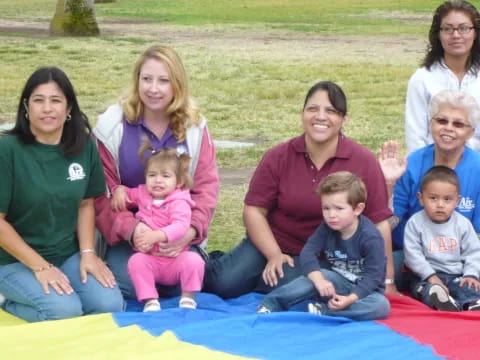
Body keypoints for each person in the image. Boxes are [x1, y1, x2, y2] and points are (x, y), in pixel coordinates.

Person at [204, 81, 395, 298]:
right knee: (222, 284)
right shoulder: (279, 155)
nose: (320, 116)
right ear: (302, 114)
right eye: (313, 109)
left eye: (331, 111)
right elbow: (254, 210)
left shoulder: (363, 161)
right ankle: (212, 262)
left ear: (344, 120)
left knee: (288, 284)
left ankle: (262, 280)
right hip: (272, 242)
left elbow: (379, 222)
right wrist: (274, 254)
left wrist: (388, 281)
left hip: (326, 257)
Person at [93, 45, 218, 300]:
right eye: (146, 79)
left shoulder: (194, 127)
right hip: (131, 235)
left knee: (180, 284)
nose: (153, 89)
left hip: (177, 230)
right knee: (128, 286)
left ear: (177, 84)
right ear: (136, 80)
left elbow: (206, 188)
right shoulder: (111, 125)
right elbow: (102, 194)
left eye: (163, 81)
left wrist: (190, 232)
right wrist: (133, 230)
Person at [0, 67, 124, 322]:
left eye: (56, 100)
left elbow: (85, 204)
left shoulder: (84, 147)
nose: (47, 108)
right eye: (38, 100)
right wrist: (40, 267)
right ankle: (6, 301)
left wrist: (88, 253)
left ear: (68, 110)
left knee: (108, 305)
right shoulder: (7, 150)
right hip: (10, 260)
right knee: (63, 311)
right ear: (26, 107)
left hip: (65, 253)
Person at [378, 88, 480, 290]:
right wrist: (388, 186)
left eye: (458, 124)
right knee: (371, 273)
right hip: (411, 257)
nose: (448, 128)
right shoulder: (412, 165)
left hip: (460, 259)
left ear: (471, 132)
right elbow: (388, 224)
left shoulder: (477, 168)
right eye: (441, 121)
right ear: (431, 123)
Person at [256, 172, 390, 321]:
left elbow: (373, 277)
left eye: (339, 208)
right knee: (318, 274)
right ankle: (272, 303)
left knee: (381, 305)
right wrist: (319, 280)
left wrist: (351, 299)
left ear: (357, 209)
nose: (331, 215)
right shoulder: (327, 227)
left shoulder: (370, 237)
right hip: (336, 283)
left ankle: (325, 311)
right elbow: (308, 252)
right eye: (326, 208)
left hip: (364, 293)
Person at [112, 144, 204, 312]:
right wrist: (119, 190)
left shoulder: (180, 201)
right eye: (152, 175)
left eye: (166, 176)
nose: (158, 180)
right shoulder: (142, 194)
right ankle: (150, 299)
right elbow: (128, 195)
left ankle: (188, 297)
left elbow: (181, 226)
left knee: (194, 261)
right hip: (151, 258)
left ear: (179, 181)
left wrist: (156, 236)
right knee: (136, 262)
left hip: (176, 258)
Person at [405, 0, 480, 153]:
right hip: (435, 169)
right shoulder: (422, 79)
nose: (456, 35)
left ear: (475, 33)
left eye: (464, 28)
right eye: (447, 29)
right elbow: (415, 137)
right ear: (438, 34)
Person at [404, 166, 480, 312]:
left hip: (455, 275)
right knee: (423, 289)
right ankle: (441, 301)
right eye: (433, 198)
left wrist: (471, 274)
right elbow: (413, 256)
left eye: (447, 199)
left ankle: (470, 302)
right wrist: (431, 276)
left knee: (467, 287)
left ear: (457, 201)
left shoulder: (463, 224)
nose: (440, 204)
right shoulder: (415, 223)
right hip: (425, 275)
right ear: (421, 198)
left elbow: (473, 252)